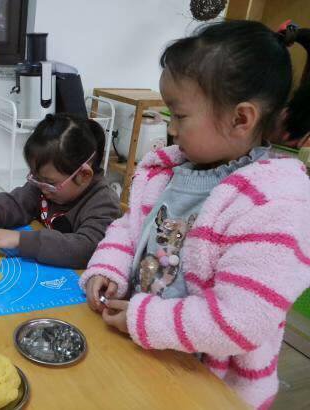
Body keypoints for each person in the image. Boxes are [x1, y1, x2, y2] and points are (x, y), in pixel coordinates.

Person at [81, 20, 310, 409]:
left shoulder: (272, 204)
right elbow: (130, 228)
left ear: (241, 119)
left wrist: (144, 320)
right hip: (143, 354)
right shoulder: (167, 172)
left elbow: (241, 322)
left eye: (180, 116)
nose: (171, 129)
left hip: (206, 385)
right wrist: (109, 269)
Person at [0, 113, 120, 269]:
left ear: (84, 175)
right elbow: (16, 201)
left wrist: (21, 240)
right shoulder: (42, 186)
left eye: (50, 183)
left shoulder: (103, 202)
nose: (42, 187)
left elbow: (86, 249)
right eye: (36, 178)